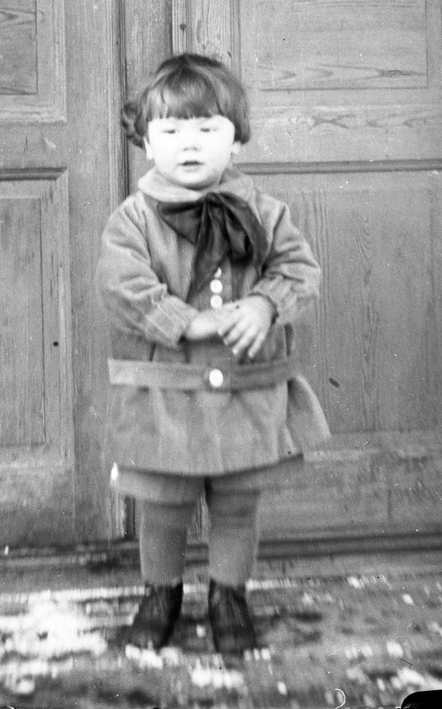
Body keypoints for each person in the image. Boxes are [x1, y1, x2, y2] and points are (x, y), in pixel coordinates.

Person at [95, 53, 330, 655]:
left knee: (237, 502)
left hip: (245, 390)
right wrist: (190, 322)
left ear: (237, 139)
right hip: (166, 393)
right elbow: (123, 287)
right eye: (172, 130)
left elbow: (299, 270)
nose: (190, 143)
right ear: (147, 142)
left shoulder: (266, 213)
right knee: (163, 505)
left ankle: (229, 596)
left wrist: (266, 305)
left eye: (207, 128)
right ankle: (161, 594)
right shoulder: (134, 220)